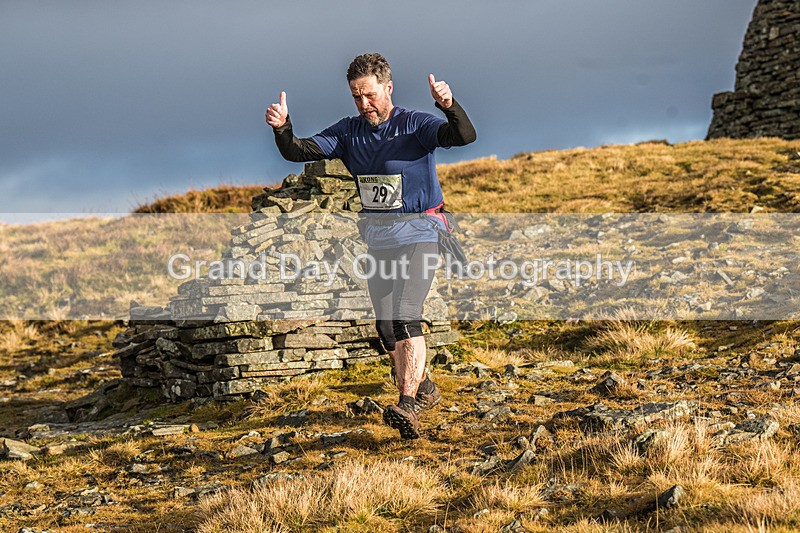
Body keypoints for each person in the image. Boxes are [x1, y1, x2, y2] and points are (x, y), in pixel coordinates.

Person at [265, 52, 476, 439]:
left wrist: (448, 106)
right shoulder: (349, 132)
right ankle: (424, 386)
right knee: (385, 329)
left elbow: (463, 136)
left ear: (388, 88)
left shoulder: (414, 124)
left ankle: (407, 405)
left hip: (421, 232)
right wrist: (283, 128)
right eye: (357, 97)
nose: (365, 104)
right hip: (379, 239)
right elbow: (299, 151)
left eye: (371, 95)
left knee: (405, 315)